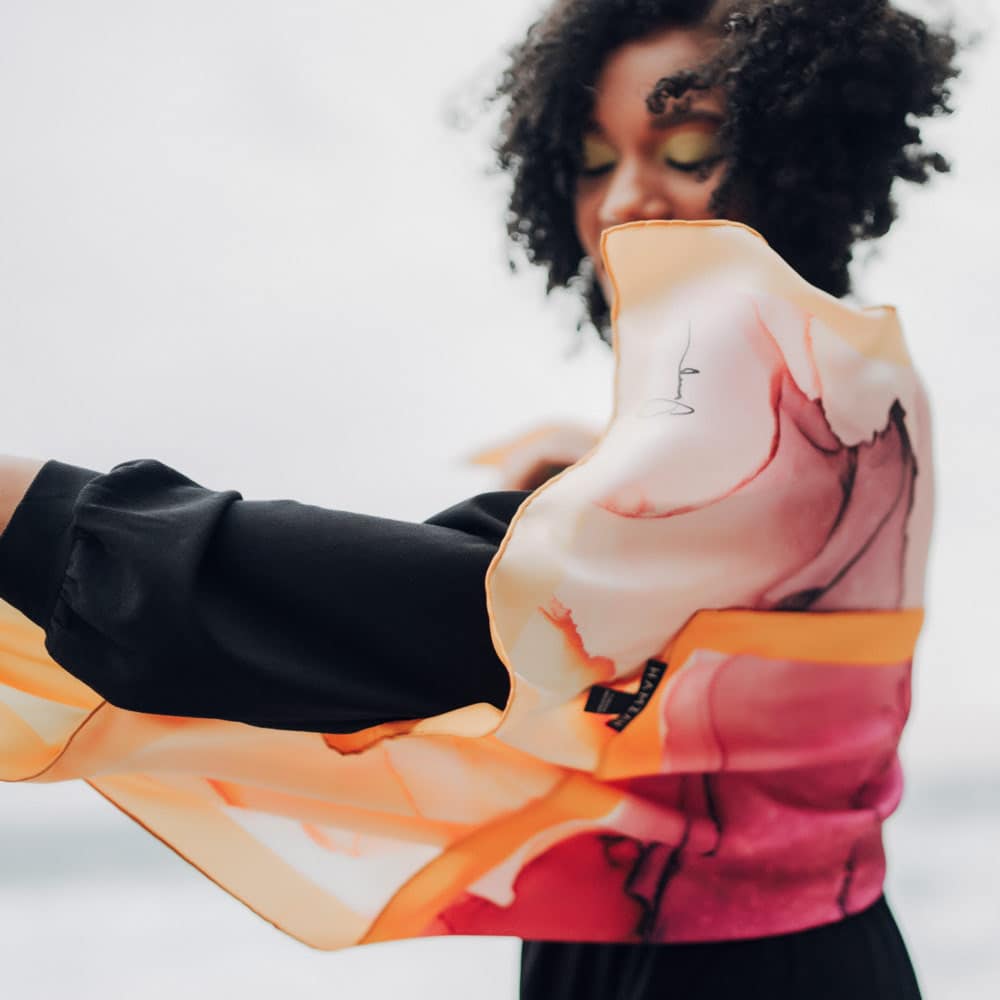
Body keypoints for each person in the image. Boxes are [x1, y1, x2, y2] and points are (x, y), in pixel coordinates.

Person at [0, 1, 960, 997]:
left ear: (804, 156)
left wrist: (30, 512)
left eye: (685, 148)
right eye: (593, 159)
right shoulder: (849, 387)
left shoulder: (799, 409)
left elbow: (454, 611)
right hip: (719, 936)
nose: (625, 198)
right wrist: (584, 482)